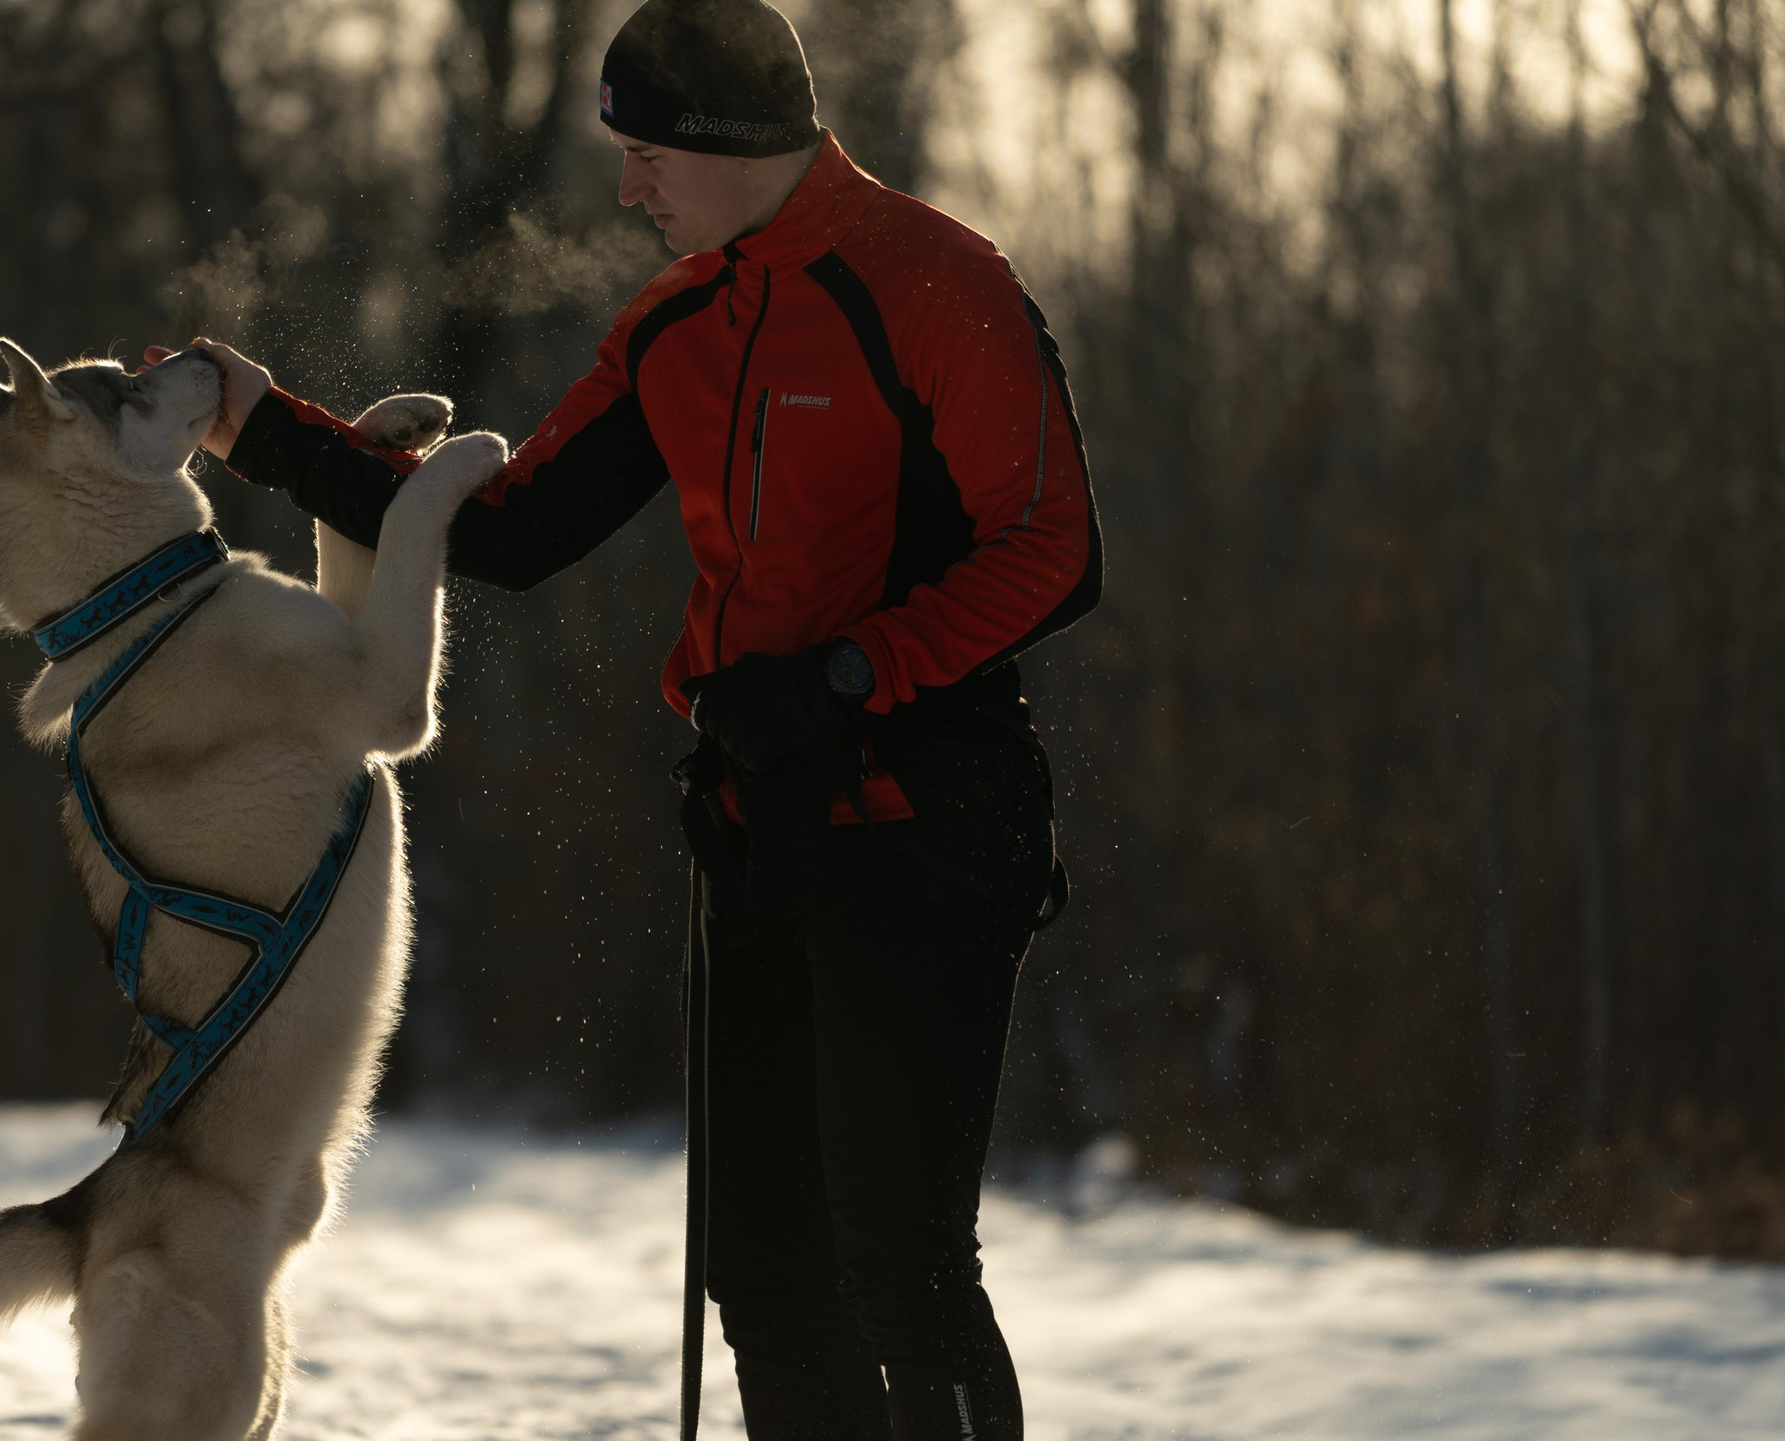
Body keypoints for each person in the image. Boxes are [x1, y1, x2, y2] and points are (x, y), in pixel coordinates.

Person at [184, 3, 1101, 1435]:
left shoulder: (932, 280)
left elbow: (1054, 547)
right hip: (765, 824)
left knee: (900, 1264)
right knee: (765, 1275)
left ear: (735, 142)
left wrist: (849, 674)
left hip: (932, 813)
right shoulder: (680, 322)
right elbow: (512, 527)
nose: (628, 188)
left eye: (647, 152)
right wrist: (270, 435)